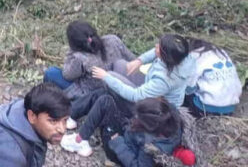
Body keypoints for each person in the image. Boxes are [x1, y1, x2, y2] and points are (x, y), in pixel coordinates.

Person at [61, 34, 195, 156]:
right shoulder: (182, 56)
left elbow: (136, 96)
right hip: (151, 88)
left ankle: (79, 138)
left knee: (110, 82)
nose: (156, 47)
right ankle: (73, 115)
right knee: (120, 65)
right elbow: (155, 53)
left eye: (159, 47)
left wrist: (106, 77)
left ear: (167, 56)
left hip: (154, 108)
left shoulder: (165, 80)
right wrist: (140, 61)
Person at [0, 83, 71, 167]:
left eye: (65, 120)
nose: (62, 129)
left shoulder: (21, 114)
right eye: (53, 121)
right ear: (32, 116)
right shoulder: (8, 155)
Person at [44, 21, 136, 100]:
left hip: (92, 94)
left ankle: (50, 102)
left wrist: (71, 52)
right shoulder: (113, 40)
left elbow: (67, 75)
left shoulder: (80, 58)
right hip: (123, 85)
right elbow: (132, 59)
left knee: (51, 73)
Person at [184, 38, 242, 116]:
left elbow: (189, 87)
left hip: (206, 109)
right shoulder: (222, 53)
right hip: (230, 107)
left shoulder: (194, 55)